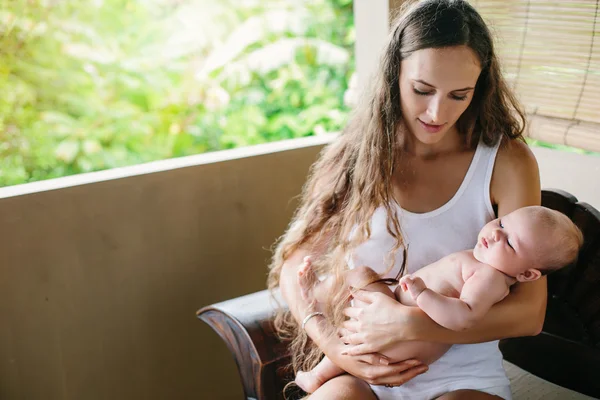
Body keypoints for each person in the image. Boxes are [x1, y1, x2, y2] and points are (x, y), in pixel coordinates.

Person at [267, 0, 548, 398]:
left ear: (480, 87)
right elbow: (296, 261)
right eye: (422, 90)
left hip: (463, 372)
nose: (437, 112)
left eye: (459, 94)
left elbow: (530, 313)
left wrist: (406, 324)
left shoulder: (506, 163)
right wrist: (335, 348)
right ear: (394, 75)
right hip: (360, 361)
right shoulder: (358, 153)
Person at [294, 205, 584, 393]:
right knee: (358, 325)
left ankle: (316, 297)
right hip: (394, 320)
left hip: (407, 339)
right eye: (502, 223)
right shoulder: (485, 264)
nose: (496, 234)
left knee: (360, 275)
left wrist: (422, 295)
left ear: (528, 275)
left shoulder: (490, 278)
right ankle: (318, 368)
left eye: (509, 242)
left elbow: (465, 316)